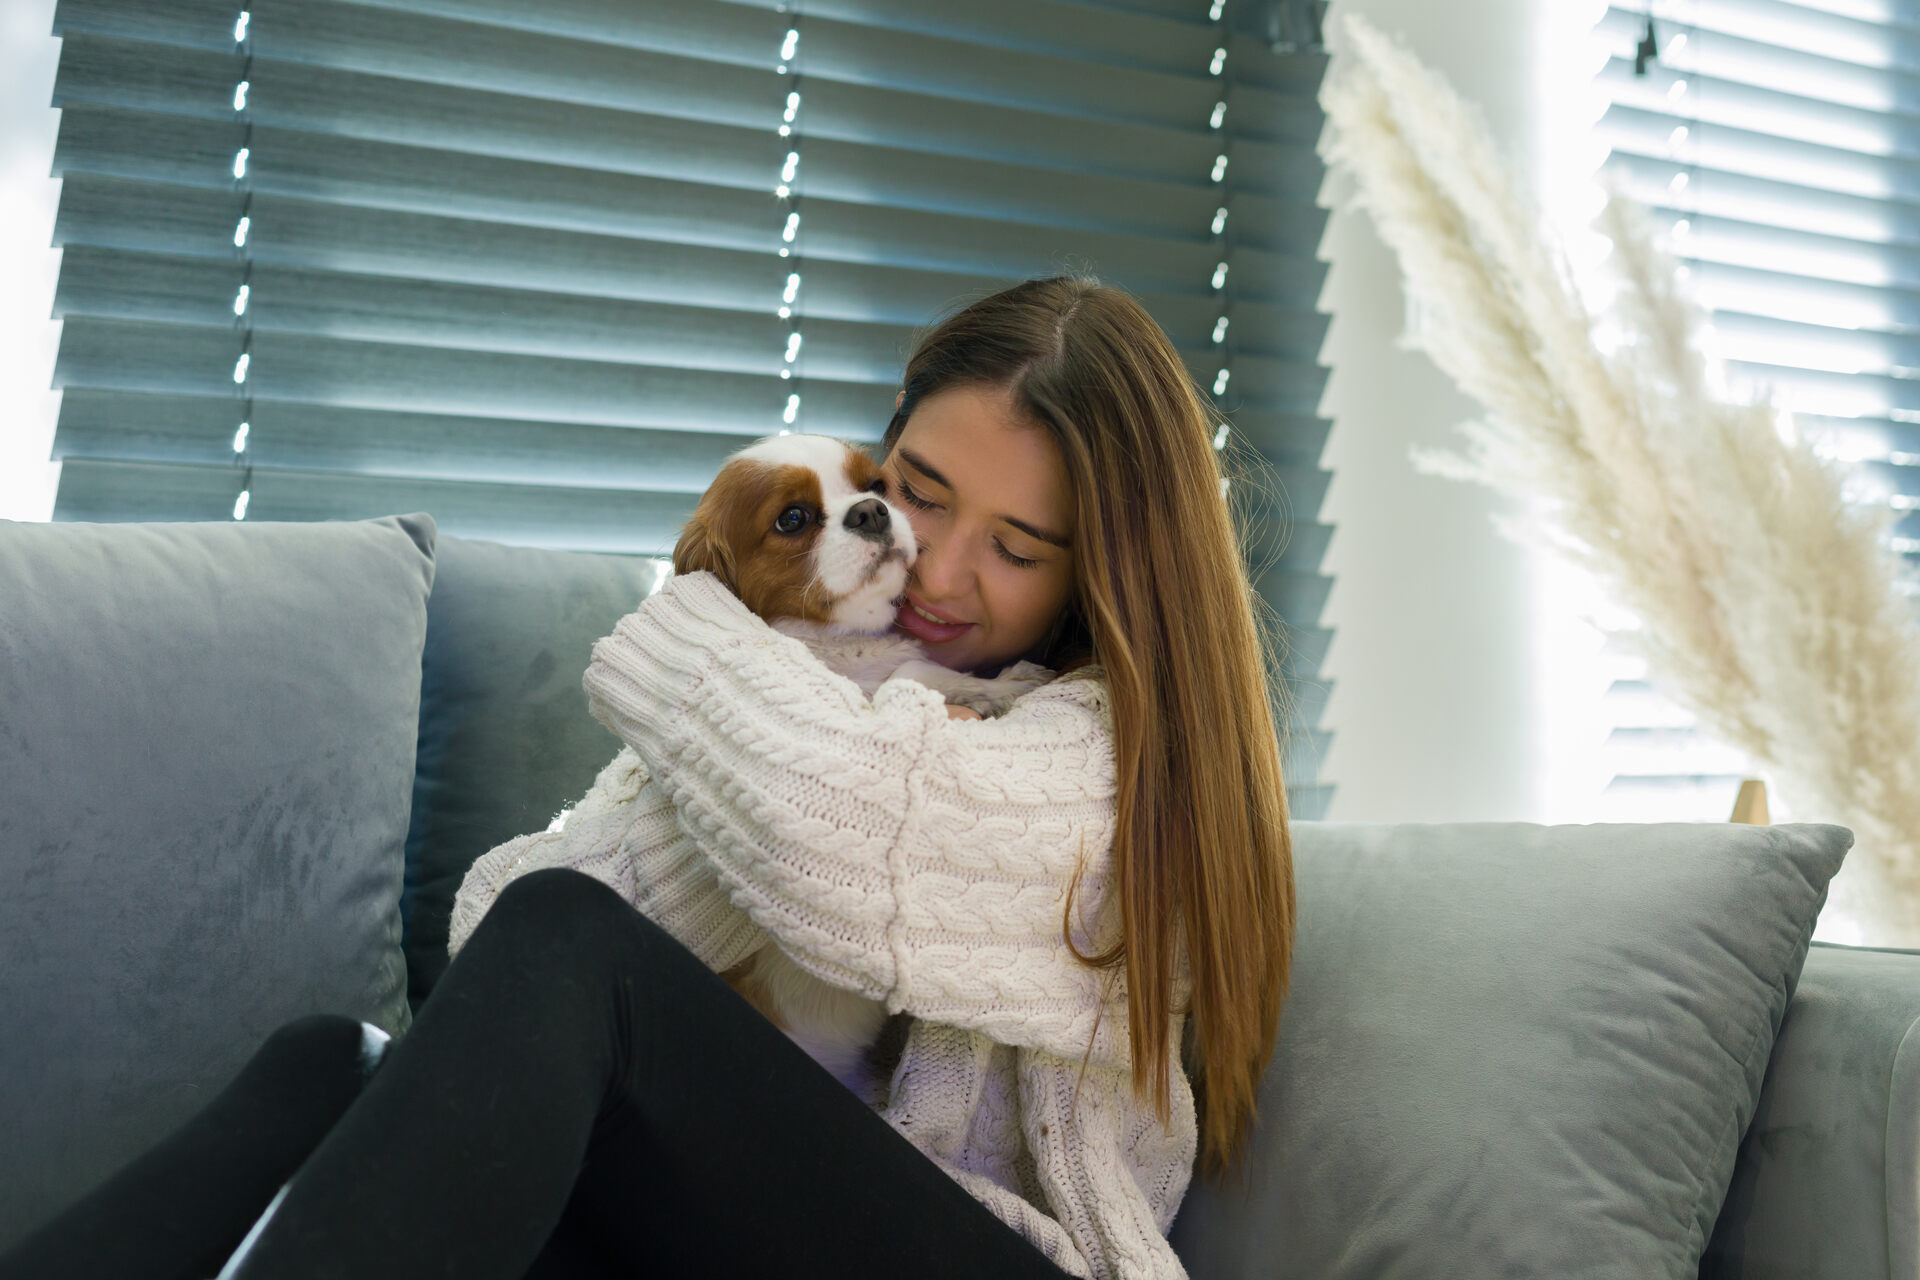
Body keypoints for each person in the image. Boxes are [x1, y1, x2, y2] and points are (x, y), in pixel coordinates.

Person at [0, 274, 1296, 1280]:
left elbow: (822, 848)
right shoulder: (794, 700)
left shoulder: (1106, 751)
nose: (937, 567)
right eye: (920, 492)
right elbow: (498, 927)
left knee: (578, 945)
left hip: (982, 1250)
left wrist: (695, 615)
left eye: (1015, 545)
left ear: (1106, 569)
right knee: (333, 1059)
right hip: (750, 1231)